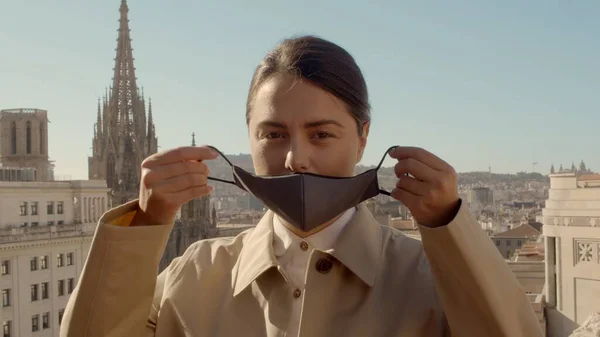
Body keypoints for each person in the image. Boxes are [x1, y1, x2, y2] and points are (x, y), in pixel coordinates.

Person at [60, 36, 543, 337]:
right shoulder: (195, 276)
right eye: (272, 135)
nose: (295, 158)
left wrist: (449, 227)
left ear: (363, 138)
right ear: (246, 139)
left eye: (322, 134)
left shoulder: (428, 278)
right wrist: (144, 225)